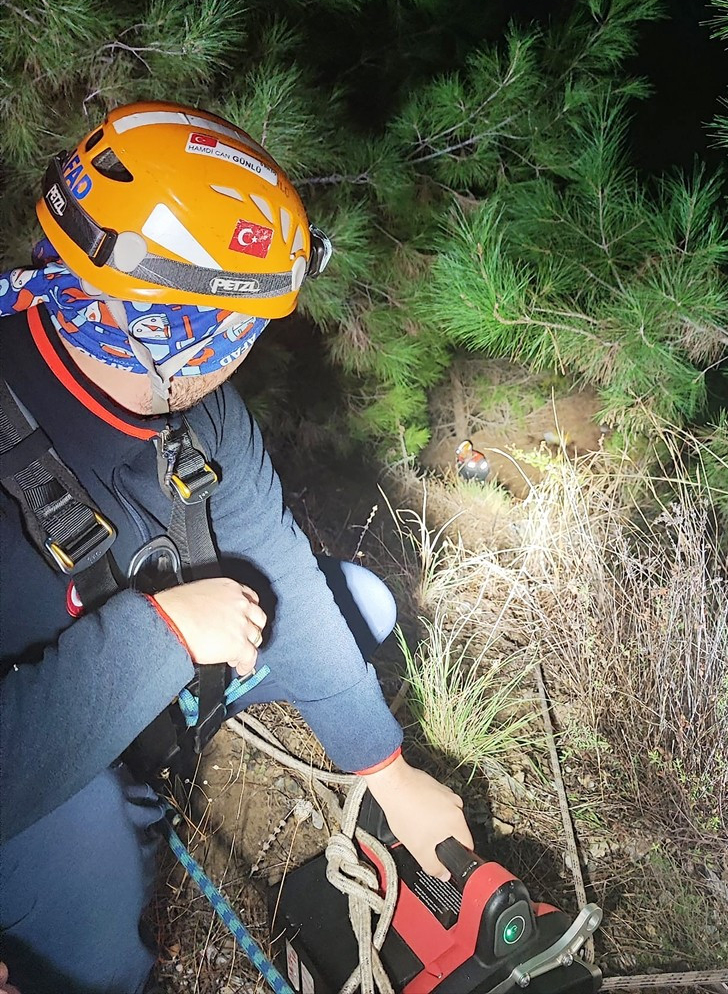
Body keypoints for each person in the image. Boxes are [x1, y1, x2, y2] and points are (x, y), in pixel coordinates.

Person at [0, 101, 473, 993]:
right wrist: (162, 637)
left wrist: (385, 764)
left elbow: (278, 560)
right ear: (177, 328)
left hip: (176, 658)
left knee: (358, 602)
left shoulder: (201, 408)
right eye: (243, 328)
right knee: (90, 904)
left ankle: (181, 744)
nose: (247, 353)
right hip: (34, 743)